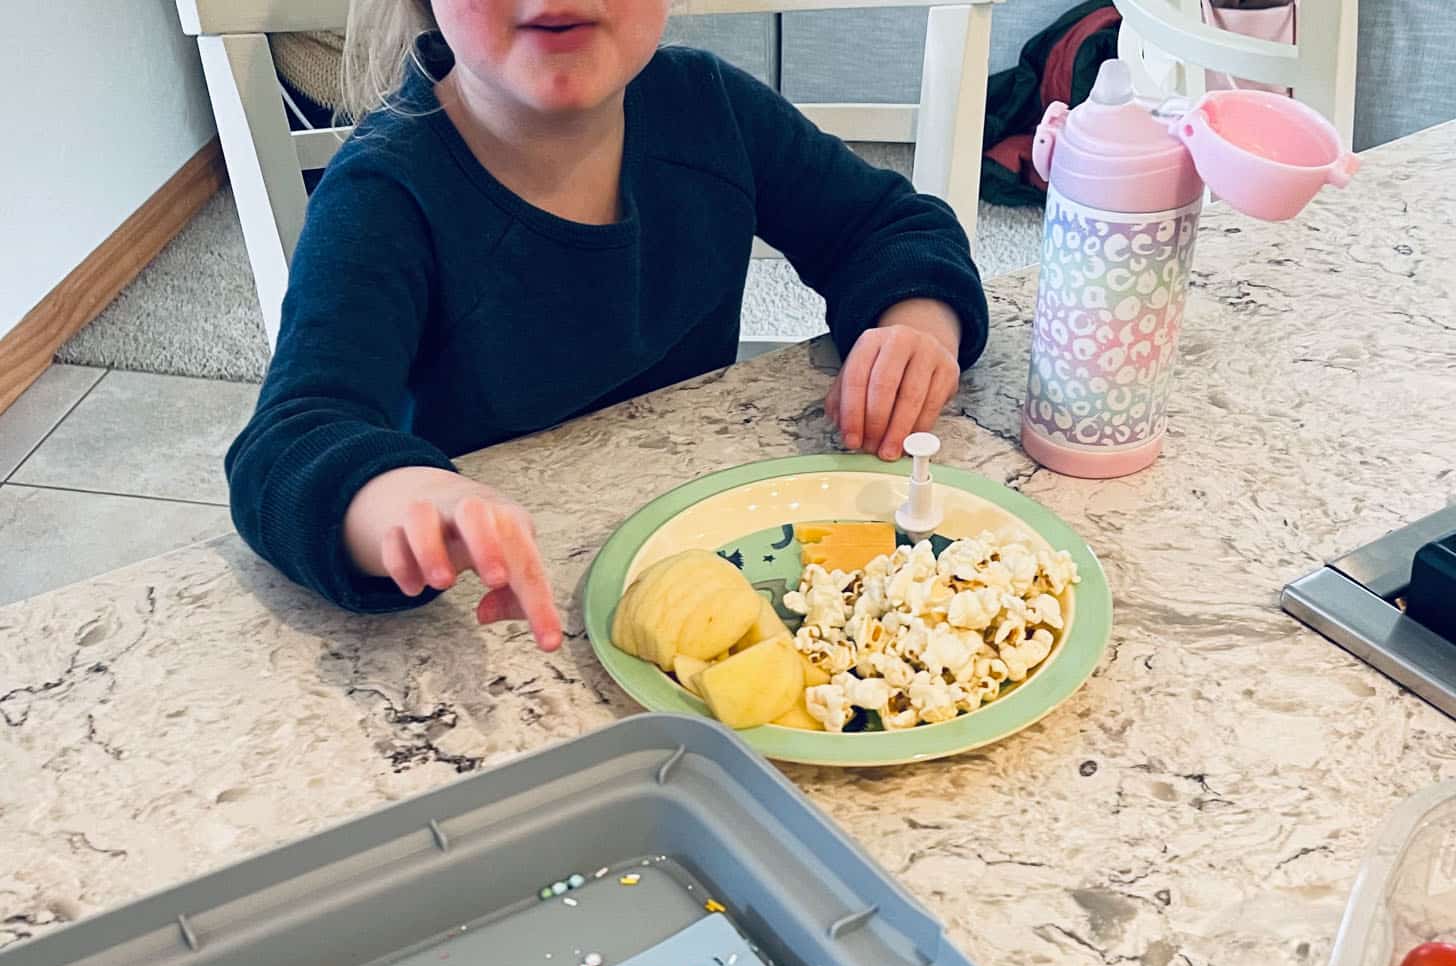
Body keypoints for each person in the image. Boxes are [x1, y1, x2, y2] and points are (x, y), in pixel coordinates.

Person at [226, 0, 989, 652]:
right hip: (505, 619)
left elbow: (887, 225)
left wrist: (918, 327)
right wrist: (399, 502)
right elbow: (290, 442)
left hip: (709, 547)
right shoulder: (383, 196)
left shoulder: (710, 106)